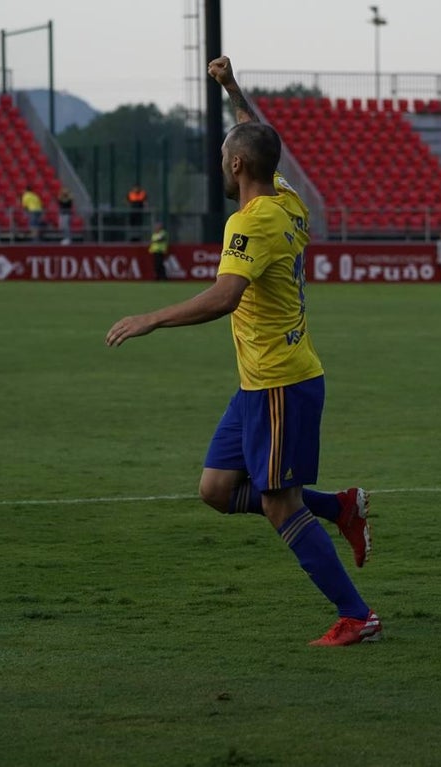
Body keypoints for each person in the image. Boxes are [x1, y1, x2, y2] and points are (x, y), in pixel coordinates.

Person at [106, 55, 379, 647]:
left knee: (280, 506)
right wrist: (231, 87)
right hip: (261, 382)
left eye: (223, 159)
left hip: (281, 381)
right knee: (217, 489)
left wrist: (151, 317)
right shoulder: (289, 199)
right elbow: (260, 138)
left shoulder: (249, 223)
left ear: (235, 166)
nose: (220, 167)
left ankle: (358, 615)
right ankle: (340, 508)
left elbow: (226, 296)